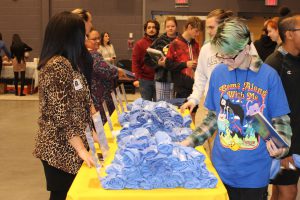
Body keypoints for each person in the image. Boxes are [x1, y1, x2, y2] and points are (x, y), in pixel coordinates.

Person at [180, 18, 292, 200]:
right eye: (220, 56)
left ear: (247, 48)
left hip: (254, 172)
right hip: (221, 168)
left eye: (230, 56)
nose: (225, 62)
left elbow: (281, 119)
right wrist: (190, 141)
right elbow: (212, 118)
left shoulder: (269, 76)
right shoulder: (218, 73)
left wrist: (281, 146)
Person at [33, 11, 95, 200]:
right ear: (70, 36)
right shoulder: (56, 66)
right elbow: (62, 116)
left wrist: (92, 134)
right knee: (62, 195)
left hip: (72, 145)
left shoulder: (69, 63)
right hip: (60, 149)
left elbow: (82, 101)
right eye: (81, 34)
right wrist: (81, 150)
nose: (85, 38)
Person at [265, 14, 300, 200]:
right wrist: (281, 151)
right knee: (289, 192)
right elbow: (262, 112)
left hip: (297, 142)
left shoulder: (296, 60)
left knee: (279, 190)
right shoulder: (274, 64)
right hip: (285, 148)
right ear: (290, 34)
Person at [163, 16, 202, 121]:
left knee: (193, 113)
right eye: (196, 31)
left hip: (194, 85)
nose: (197, 34)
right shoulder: (175, 44)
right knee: (183, 114)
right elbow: (168, 65)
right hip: (181, 86)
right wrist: (185, 64)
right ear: (189, 27)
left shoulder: (196, 45)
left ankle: (192, 135)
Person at [86, 29, 119, 124]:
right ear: (86, 40)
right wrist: (119, 72)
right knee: (103, 125)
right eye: (94, 39)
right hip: (99, 97)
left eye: (98, 38)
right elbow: (107, 71)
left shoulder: (89, 54)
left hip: (97, 96)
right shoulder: (93, 55)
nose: (97, 41)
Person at [144, 16, 179, 101]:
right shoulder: (159, 41)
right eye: (168, 26)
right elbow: (146, 59)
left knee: (176, 107)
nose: (170, 28)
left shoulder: (181, 40)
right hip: (162, 78)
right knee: (162, 106)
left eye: (172, 26)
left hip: (179, 79)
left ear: (176, 27)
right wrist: (157, 64)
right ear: (165, 28)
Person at [132, 19, 160, 101]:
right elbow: (135, 62)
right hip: (145, 80)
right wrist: (136, 78)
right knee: (146, 105)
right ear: (145, 30)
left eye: (154, 27)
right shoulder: (139, 44)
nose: (151, 29)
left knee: (157, 106)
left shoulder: (161, 42)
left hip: (159, 79)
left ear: (157, 29)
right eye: (149, 27)